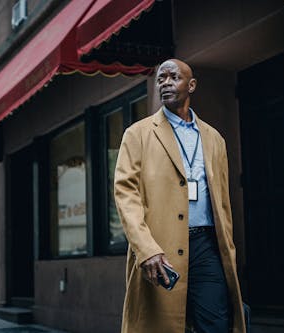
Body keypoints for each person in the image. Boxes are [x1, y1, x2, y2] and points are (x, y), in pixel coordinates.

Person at [114, 59, 246, 333]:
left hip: (207, 246)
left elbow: (222, 203)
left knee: (217, 324)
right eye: (161, 78)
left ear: (191, 85)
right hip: (160, 250)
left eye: (173, 77)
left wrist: (227, 248)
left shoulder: (214, 139)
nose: (165, 83)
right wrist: (146, 249)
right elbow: (126, 194)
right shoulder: (137, 134)